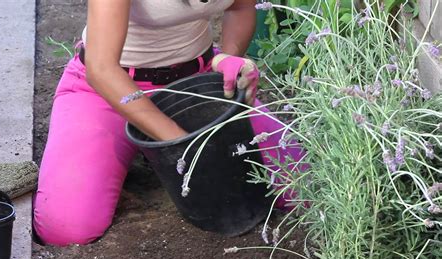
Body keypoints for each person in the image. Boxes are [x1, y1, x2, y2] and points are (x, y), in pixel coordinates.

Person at [33, 0, 304, 246]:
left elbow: (241, 7)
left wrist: (227, 58)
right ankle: (133, 152)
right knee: (67, 228)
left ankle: (148, 153)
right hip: (108, 89)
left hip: (193, 85)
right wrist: (184, 143)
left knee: (302, 184)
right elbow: (102, 69)